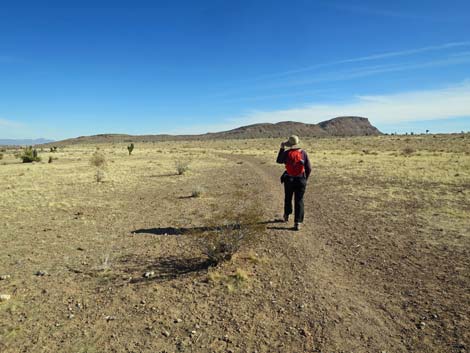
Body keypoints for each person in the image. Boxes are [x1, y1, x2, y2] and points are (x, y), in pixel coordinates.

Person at [276, 135, 312, 231]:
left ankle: (286, 215)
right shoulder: (303, 153)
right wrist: (305, 178)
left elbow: (278, 161)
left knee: (288, 197)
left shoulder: (287, 153)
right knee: (299, 200)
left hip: (289, 179)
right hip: (301, 180)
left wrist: (282, 148)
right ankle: (298, 222)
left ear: (289, 144)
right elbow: (309, 168)